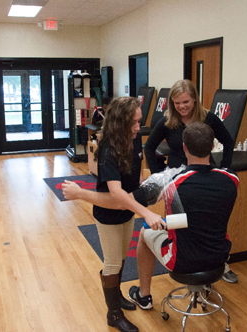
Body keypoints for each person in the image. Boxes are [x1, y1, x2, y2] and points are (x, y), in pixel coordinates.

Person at [63, 122, 238, 311]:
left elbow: (120, 202)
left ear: (184, 147)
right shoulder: (231, 179)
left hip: (183, 260)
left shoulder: (169, 181)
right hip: (220, 256)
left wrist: (80, 193)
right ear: (212, 146)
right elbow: (204, 213)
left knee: (145, 233)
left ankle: (144, 295)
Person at [73, 96, 164, 332]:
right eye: (133, 123)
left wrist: (145, 179)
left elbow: (136, 168)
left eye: (139, 121)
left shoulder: (134, 138)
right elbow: (115, 192)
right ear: (120, 123)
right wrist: (146, 212)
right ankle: (113, 314)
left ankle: (118, 296)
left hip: (127, 210)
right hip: (109, 212)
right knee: (112, 262)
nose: (138, 127)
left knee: (122, 255)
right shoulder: (108, 149)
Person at [143, 79, 239, 283]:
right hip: (178, 178)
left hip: (205, 173)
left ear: (194, 99)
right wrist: (159, 176)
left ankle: (219, 264)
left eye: (185, 102)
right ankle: (185, 259)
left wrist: (226, 168)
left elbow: (228, 141)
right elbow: (149, 148)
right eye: (177, 103)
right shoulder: (168, 121)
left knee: (210, 219)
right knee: (180, 223)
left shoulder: (208, 118)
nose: (182, 107)